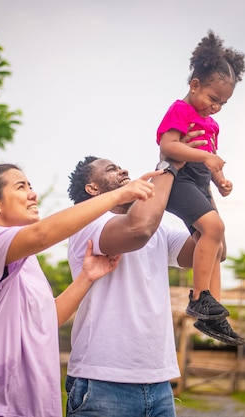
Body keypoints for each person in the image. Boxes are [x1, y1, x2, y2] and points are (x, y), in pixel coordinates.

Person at [0, 163, 161, 417]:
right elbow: (42, 234)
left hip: (32, 406)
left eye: (31, 186)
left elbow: (46, 318)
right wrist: (119, 194)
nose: (33, 194)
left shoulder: (25, 260)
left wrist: (86, 277)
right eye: (21, 187)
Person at [65, 150, 200, 417]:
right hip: (102, 379)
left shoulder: (158, 230)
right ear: (92, 188)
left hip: (159, 381)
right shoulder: (87, 222)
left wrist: (200, 186)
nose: (123, 171)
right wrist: (168, 164)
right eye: (111, 169)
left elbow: (213, 249)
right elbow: (138, 230)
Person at [156, 30, 245, 345]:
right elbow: (169, 147)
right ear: (194, 85)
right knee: (213, 227)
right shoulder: (180, 111)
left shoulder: (211, 124)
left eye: (223, 103)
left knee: (217, 245)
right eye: (213, 99)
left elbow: (210, 161)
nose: (217, 107)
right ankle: (199, 297)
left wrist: (220, 181)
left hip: (199, 181)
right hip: (177, 179)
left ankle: (214, 315)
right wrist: (205, 157)